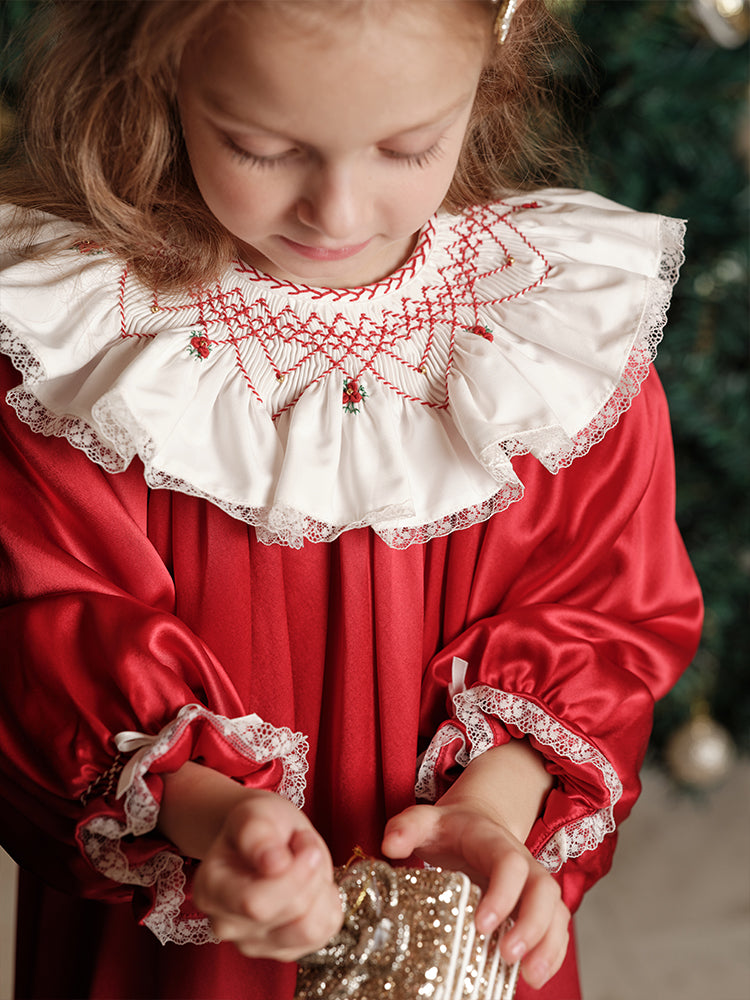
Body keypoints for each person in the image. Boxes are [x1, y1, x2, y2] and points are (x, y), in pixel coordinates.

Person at [0, 1, 702, 998]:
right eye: (261, 146)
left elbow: (603, 618)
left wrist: (496, 813)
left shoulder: (555, 341)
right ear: (161, 72)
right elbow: (43, 643)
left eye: (406, 147)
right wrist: (215, 819)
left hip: (456, 925)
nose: (336, 210)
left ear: (488, 72)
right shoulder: (80, 353)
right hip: (188, 931)